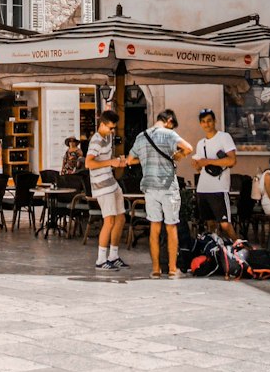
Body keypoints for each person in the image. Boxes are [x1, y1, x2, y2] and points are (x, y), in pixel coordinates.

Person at [128, 109, 194, 279]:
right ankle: (172, 269)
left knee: (154, 227)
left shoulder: (141, 137)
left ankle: (156, 269)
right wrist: (179, 155)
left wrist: (145, 159)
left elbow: (130, 160)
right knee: (171, 227)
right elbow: (188, 148)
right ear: (169, 120)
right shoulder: (169, 134)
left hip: (150, 188)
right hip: (167, 187)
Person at [86, 109, 131, 272]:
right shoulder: (96, 140)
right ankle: (100, 259)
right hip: (102, 185)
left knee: (121, 219)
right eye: (110, 128)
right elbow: (88, 163)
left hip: (112, 183)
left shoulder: (107, 137)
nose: (113, 131)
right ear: (102, 124)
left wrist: (118, 161)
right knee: (109, 221)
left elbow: (107, 160)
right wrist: (111, 162)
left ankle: (113, 256)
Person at [192, 108, 238, 241]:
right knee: (210, 223)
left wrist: (208, 161)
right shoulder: (201, 143)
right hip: (203, 187)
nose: (207, 124)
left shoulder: (224, 137)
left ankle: (238, 245)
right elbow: (201, 168)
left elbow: (232, 160)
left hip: (219, 187)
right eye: (203, 122)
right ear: (200, 124)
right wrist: (197, 165)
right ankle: (215, 248)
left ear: (214, 121)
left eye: (209, 121)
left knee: (225, 224)